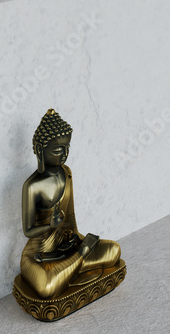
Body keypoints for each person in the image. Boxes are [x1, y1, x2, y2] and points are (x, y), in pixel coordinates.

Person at [19, 109, 123, 299]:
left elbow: (71, 217)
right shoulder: (32, 186)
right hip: (38, 256)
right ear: (41, 150)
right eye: (58, 150)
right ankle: (79, 261)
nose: (65, 154)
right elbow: (28, 231)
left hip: (67, 246)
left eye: (67, 147)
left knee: (114, 250)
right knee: (47, 286)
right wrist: (50, 225)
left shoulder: (66, 172)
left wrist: (79, 240)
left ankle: (72, 267)